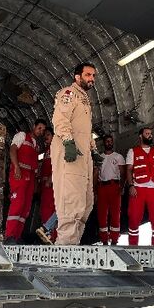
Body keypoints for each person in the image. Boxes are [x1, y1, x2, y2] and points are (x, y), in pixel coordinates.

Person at [51, 63, 97, 245]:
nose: (91, 78)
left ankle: (73, 246)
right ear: (77, 77)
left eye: (93, 75)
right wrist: (68, 141)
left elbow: (85, 129)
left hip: (83, 154)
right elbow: (60, 119)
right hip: (69, 151)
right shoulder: (69, 94)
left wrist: (93, 149)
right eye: (88, 75)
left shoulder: (85, 99)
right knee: (72, 202)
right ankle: (64, 249)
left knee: (86, 203)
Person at [4, 119, 47, 244]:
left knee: (25, 208)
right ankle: (9, 236)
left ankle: (17, 236)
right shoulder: (22, 136)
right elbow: (12, 150)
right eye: (39, 128)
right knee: (17, 204)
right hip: (19, 174)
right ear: (33, 126)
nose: (41, 131)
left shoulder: (36, 145)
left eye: (43, 130)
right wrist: (16, 166)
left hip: (30, 178)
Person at [126, 127, 154, 245]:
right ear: (141, 136)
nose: (150, 135)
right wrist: (131, 185)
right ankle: (133, 247)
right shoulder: (133, 151)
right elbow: (129, 169)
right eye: (147, 133)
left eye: (151, 134)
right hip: (138, 188)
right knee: (134, 218)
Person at [96, 134, 125, 245]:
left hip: (114, 186)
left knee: (115, 213)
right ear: (104, 143)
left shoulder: (118, 157)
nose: (109, 143)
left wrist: (122, 187)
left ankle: (114, 239)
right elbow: (96, 173)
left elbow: (122, 173)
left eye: (110, 141)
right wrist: (95, 191)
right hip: (102, 187)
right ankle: (104, 240)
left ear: (113, 143)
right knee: (102, 214)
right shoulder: (99, 157)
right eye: (107, 141)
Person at [35, 127, 58, 245]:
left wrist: (51, 178)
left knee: (51, 209)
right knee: (44, 210)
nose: (45, 137)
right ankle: (46, 235)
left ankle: (52, 236)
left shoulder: (56, 149)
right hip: (44, 185)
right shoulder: (46, 151)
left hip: (52, 184)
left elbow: (59, 166)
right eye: (44, 135)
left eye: (48, 134)